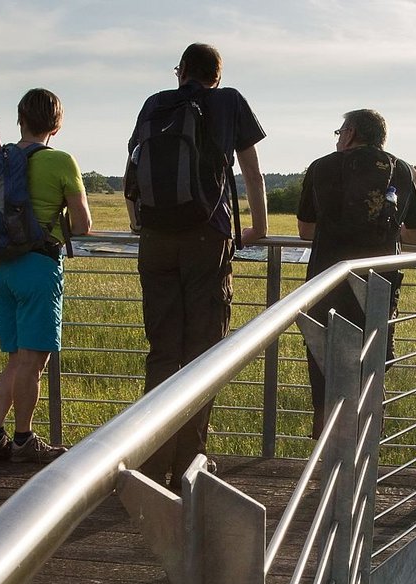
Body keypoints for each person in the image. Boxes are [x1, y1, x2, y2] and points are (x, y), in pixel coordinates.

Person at [126, 43, 268, 486]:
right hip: (207, 238)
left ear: (181, 72)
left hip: (155, 240)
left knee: (163, 349)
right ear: (216, 76)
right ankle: (189, 462)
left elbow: (133, 169)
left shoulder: (153, 103)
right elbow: (251, 171)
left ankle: (151, 458)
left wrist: (140, 224)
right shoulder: (228, 101)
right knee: (202, 351)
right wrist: (258, 228)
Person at [297, 109, 416, 432]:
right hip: (378, 291)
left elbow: (305, 230)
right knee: (369, 373)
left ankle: (327, 454)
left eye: (340, 131)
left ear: (351, 132)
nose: (338, 138)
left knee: (324, 374)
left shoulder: (321, 167)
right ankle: (363, 454)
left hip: (326, 288)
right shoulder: (403, 170)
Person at [0, 88, 94, 462]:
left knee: (15, 359)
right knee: (33, 363)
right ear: (56, 126)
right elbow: (83, 224)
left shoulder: (0, 158)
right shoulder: (61, 161)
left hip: (2, 265)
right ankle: (24, 439)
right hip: (39, 266)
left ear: (20, 119)